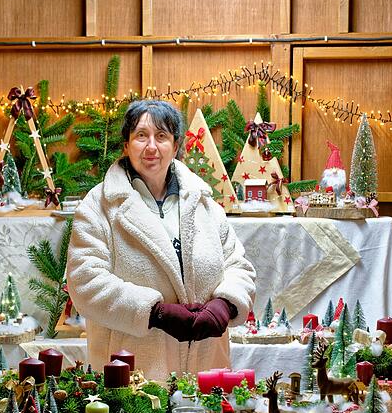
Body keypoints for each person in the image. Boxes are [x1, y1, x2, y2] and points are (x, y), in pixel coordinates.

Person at [66, 99, 255, 381]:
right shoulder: (99, 206)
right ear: (126, 145)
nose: (151, 146)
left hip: (205, 372)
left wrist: (224, 305)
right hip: (133, 377)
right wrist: (155, 314)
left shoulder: (204, 204)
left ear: (176, 146)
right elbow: (85, 282)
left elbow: (239, 267)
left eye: (162, 136)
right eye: (141, 136)